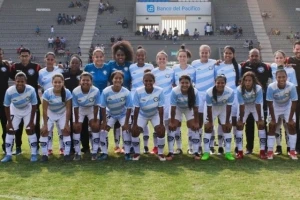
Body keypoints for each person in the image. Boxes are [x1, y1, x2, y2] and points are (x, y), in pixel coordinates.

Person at [9, 48, 41, 155]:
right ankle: (18, 147)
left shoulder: (36, 67)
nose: (24, 58)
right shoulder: (14, 67)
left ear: (30, 56)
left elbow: (44, 77)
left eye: (26, 56)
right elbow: (8, 76)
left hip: (33, 102)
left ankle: (36, 147)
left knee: (34, 126)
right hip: (18, 102)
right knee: (18, 126)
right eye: (22, 56)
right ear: (19, 57)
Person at [240, 49, 272, 154]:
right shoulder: (244, 66)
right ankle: (249, 148)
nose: (254, 57)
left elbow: (271, 80)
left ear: (259, 56)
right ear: (249, 56)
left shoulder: (266, 67)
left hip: (261, 101)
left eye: (256, 55)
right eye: (252, 55)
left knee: (262, 124)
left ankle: (264, 148)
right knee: (249, 125)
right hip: (247, 101)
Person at [1, 72, 38, 162]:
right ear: (15, 81)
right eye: (18, 81)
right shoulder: (10, 91)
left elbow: (34, 106)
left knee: (30, 129)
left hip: (28, 109)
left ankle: (34, 154)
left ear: (26, 81)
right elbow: (6, 106)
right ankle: (8, 155)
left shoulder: (31, 90)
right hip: (15, 109)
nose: (20, 83)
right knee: (10, 130)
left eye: (22, 81)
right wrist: (9, 122)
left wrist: (31, 121)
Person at [131, 72, 166, 161]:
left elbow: (161, 108)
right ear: (143, 82)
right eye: (146, 81)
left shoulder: (160, 90)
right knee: (135, 132)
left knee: (160, 131)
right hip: (142, 115)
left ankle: (160, 153)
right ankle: (137, 153)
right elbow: (136, 109)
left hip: (155, 114)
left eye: (150, 81)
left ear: (154, 81)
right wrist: (134, 124)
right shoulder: (138, 91)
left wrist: (161, 123)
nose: (148, 83)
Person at [100, 71, 132, 160]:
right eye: (116, 78)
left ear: (122, 80)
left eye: (120, 78)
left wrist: (126, 123)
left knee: (126, 130)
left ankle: (127, 153)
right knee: (103, 131)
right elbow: (103, 107)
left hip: (122, 114)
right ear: (112, 79)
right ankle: (104, 153)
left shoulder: (126, 92)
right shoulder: (106, 91)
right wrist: (104, 121)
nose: (117, 80)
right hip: (110, 113)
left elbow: (129, 108)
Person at [214, 46, 240, 155]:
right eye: (226, 53)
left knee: (233, 122)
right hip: (221, 97)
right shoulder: (218, 66)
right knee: (221, 122)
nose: (227, 55)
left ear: (233, 54)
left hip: (234, 98)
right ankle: (220, 146)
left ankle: (235, 146)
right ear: (223, 54)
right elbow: (215, 82)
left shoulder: (237, 66)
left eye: (230, 53)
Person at [202, 75, 235, 161]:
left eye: (222, 83)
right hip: (211, 108)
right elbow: (209, 107)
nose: (220, 84)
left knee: (227, 128)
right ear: (215, 83)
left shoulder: (230, 92)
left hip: (223, 108)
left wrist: (227, 121)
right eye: (218, 83)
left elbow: (229, 107)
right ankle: (206, 152)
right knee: (208, 128)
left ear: (225, 83)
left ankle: (227, 152)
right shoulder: (209, 92)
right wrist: (209, 121)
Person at [270, 50, 297, 155]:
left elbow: (294, 86)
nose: (279, 59)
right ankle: (279, 147)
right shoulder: (271, 67)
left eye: (281, 57)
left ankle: (290, 147)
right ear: (274, 59)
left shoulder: (290, 70)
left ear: (285, 58)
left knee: (288, 125)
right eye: (277, 58)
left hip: (287, 101)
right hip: (275, 102)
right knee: (276, 125)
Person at [266, 69, 298, 160]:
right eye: (279, 77)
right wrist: (273, 119)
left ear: (286, 77)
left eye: (283, 77)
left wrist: (290, 119)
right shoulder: (271, 87)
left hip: (287, 106)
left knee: (291, 125)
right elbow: (269, 103)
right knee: (272, 126)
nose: (281, 79)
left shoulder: (291, 86)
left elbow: (294, 102)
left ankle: (292, 151)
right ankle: (270, 150)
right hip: (275, 106)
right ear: (276, 78)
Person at [40, 74, 72, 162]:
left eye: (59, 82)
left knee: (65, 131)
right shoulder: (47, 93)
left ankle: (66, 154)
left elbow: (68, 109)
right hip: (50, 113)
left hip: (62, 113)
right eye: (55, 82)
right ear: (52, 83)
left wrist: (66, 124)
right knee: (44, 131)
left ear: (63, 82)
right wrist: (45, 125)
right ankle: (44, 154)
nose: (57, 84)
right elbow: (44, 109)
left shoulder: (67, 92)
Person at [168, 75, 200, 160]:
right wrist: (171, 121)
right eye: (182, 83)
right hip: (177, 108)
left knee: (194, 127)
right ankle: (172, 151)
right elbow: (173, 108)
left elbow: (196, 109)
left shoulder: (195, 91)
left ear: (190, 83)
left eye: (187, 83)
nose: (184, 85)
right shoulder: (174, 91)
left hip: (188, 108)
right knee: (172, 126)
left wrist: (197, 122)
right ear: (179, 83)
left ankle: (195, 151)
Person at [192, 45, 216, 155]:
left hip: (210, 94)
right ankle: (199, 145)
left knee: (210, 120)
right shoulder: (194, 64)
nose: (204, 54)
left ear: (209, 53)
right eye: (202, 52)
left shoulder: (214, 63)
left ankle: (211, 145)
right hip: (199, 95)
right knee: (199, 120)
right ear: (199, 52)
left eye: (206, 52)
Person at [236, 72, 267, 159]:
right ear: (243, 81)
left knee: (261, 125)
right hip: (244, 106)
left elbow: (258, 104)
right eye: (245, 80)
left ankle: (262, 151)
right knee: (239, 126)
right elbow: (241, 105)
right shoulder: (239, 89)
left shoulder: (258, 88)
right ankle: (240, 151)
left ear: (253, 81)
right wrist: (241, 119)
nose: (247, 82)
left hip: (255, 106)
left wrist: (260, 119)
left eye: (250, 80)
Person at [129, 46, 154, 154]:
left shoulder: (150, 66)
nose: (140, 57)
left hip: (146, 96)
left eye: (142, 55)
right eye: (138, 55)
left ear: (145, 56)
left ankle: (146, 146)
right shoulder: (131, 67)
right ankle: (133, 145)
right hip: (134, 96)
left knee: (145, 120)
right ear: (136, 56)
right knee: (135, 121)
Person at [38, 52, 64, 155]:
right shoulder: (41, 72)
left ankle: (62, 147)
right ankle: (49, 148)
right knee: (47, 127)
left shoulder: (60, 70)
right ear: (45, 60)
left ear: (55, 60)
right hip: (47, 102)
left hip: (60, 102)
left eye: (51, 59)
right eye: (48, 59)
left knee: (61, 127)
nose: (49, 61)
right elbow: (40, 85)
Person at [72, 72, 101, 161]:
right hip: (80, 109)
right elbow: (75, 107)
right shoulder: (75, 91)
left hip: (91, 108)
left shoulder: (96, 90)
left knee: (95, 126)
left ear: (91, 81)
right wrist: (76, 121)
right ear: (80, 81)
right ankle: (77, 153)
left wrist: (95, 119)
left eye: (87, 80)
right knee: (76, 128)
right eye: (83, 80)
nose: (85, 82)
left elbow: (96, 106)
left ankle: (95, 152)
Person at [172, 45, 195, 155]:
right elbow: (172, 83)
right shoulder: (174, 69)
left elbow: (194, 85)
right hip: (178, 102)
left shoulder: (192, 69)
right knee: (177, 125)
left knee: (191, 125)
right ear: (177, 58)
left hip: (189, 101)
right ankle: (179, 147)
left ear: (187, 57)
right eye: (180, 56)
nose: (182, 58)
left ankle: (191, 147)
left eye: (184, 56)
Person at [151, 51, 175, 155]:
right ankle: (156, 147)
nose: (161, 60)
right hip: (157, 101)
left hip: (169, 101)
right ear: (157, 60)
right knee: (157, 124)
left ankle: (171, 149)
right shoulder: (153, 72)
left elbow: (174, 85)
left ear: (167, 60)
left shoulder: (171, 71)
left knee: (169, 124)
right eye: (159, 59)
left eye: (163, 58)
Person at [286, 41, 300, 153]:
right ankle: (296, 146)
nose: (298, 51)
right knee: (295, 122)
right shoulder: (289, 61)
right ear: (293, 49)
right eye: (297, 49)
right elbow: (276, 64)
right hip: (295, 97)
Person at [0, 49, 10, 153]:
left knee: (5, 125)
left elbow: (17, 76)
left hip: (4, 102)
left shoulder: (6, 67)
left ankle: (6, 148)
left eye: (0, 54)